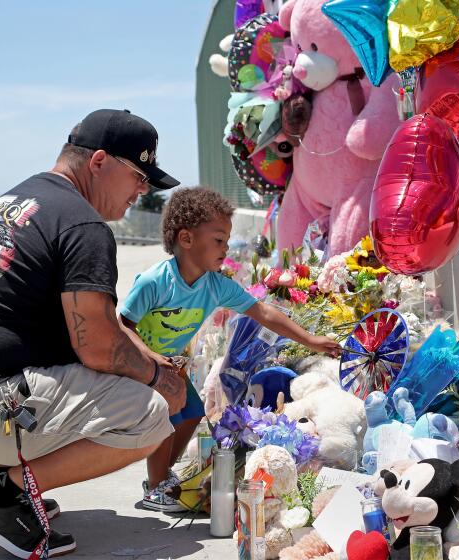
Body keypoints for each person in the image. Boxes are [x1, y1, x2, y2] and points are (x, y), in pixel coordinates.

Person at [0, 109, 188, 559]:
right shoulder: (83, 224)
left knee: (99, 373)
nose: (142, 191)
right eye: (137, 175)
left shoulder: (20, 200)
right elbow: (97, 346)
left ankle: (2, 481)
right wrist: (157, 378)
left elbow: (97, 322)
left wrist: (149, 356)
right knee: (148, 413)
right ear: (99, 162)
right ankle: (2, 499)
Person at [118, 187, 341, 511]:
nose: (225, 248)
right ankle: (155, 486)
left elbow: (263, 312)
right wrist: (152, 360)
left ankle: (162, 476)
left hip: (170, 367)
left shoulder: (215, 284)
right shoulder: (154, 282)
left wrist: (309, 339)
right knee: (165, 417)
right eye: (219, 240)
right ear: (187, 239)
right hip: (142, 366)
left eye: (226, 240)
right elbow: (123, 325)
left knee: (192, 414)